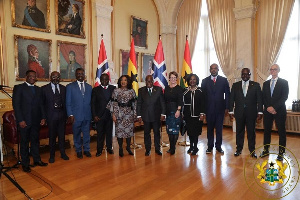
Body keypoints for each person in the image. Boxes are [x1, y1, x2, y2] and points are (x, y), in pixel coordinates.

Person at [12, 70, 48, 172]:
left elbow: (41, 105)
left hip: (36, 121)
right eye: (30, 76)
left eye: (34, 76)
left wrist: (43, 117)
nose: (33, 77)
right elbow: (16, 106)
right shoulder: (19, 88)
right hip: (25, 121)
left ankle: (37, 160)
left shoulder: (38, 89)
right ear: (26, 77)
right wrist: (20, 120)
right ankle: (25, 164)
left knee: (35, 141)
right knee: (24, 143)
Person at [229, 68, 263, 158]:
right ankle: (238, 149)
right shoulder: (235, 85)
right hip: (239, 113)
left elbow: (260, 99)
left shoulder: (256, 85)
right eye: (243, 74)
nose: (245, 76)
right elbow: (231, 98)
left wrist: (260, 112)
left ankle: (252, 151)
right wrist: (231, 110)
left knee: (251, 132)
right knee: (239, 132)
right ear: (241, 75)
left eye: (247, 74)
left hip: (251, 113)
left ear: (249, 75)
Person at [260, 64, 289, 161]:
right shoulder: (265, 83)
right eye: (271, 69)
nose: (272, 71)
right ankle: (266, 150)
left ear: (278, 70)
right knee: (266, 131)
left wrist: (274, 107)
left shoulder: (284, 82)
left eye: (275, 69)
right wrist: (268, 107)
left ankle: (281, 153)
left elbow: (284, 97)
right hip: (267, 111)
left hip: (279, 111)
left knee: (281, 132)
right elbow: (263, 97)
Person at [201, 63, 230, 154]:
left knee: (219, 129)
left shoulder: (224, 80)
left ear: (218, 70)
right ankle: (209, 147)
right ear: (210, 70)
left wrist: (227, 107)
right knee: (209, 129)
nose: (214, 70)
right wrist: (203, 110)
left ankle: (218, 146)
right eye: (212, 68)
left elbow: (228, 94)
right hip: (209, 109)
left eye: (215, 68)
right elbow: (203, 96)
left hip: (220, 109)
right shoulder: (204, 81)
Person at [41, 71, 69, 163]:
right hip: (51, 116)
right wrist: (44, 117)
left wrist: (67, 116)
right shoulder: (44, 89)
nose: (56, 78)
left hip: (62, 116)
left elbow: (66, 103)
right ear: (50, 78)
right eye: (54, 77)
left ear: (60, 78)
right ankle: (52, 155)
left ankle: (63, 153)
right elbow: (42, 105)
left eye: (57, 77)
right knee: (52, 137)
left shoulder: (64, 88)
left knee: (62, 136)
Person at [66, 68, 92, 159]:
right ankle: (78, 150)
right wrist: (70, 115)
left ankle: (86, 150)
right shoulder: (70, 87)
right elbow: (68, 103)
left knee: (86, 134)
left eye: (81, 73)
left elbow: (91, 102)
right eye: (78, 74)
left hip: (87, 115)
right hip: (76, 116)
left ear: (84, 75)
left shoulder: (89, 87)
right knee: (76, 134)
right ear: (76, 75)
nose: (80, 75)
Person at [137, 75, 166, 156]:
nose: (149, 83)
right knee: (146, 134)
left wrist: (163, 113)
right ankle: (148, 149)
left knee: (157, 133)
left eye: (150, 81)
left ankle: (157, 149)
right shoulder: (141, 90)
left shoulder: (159, 89)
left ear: (153, 82)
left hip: (156, 116)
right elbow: (139, 103)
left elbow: (162, 102)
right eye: (147, 81)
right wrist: (139, 115)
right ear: (145, 82)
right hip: (145, 116)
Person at [108, 75, 136, 157]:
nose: (123, 82)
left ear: (128, 82)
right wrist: (113, 114)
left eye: (125, 80)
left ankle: (128, 147)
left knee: (129, 132)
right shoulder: (116, 91)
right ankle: (120, 148)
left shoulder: (132, 91)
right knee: (120, 132)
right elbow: (113, 103)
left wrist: (135, 114)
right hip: (119, 114)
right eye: (122, 80)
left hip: (129, 115)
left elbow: (134, 103)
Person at [91, 73, 115, 157]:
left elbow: (115, 102)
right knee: (100, 134)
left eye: (106, 79)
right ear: (100, 80)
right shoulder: (95, 90)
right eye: (102, 79)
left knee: (109, 133)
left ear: (108, 80)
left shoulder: (113, 88)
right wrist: (94, 116)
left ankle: (109, 148)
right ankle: (99, 150)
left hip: (109, 115)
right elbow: (93, 104)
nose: (104, 81)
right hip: (99, 116)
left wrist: (114, 114)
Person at [183, 74, 205, 155]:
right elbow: (182, 103)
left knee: (196, 132)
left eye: (194, 79)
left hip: (197, 115)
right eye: (191, 79)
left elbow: (203, 103)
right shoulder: (185, 91)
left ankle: (195, 147)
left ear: (197, 81)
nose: (192, 81)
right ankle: (191, 146)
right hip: (188, 116)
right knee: (190, 132)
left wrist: (202, 114)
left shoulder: (200, 91)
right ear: (188, 81)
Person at [164, 71, 183, 155]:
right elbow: (164, 100)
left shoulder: (179, 88)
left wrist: (178, 110)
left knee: (175, 131)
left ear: (177, 79)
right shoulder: (166, 88)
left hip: (176, 111)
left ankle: (173, 148)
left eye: (174, 78)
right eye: (171, 77)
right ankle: (171, 147)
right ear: (169, 79)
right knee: (169, 130)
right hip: (168, 112)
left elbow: (180, 101)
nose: (173, 79)